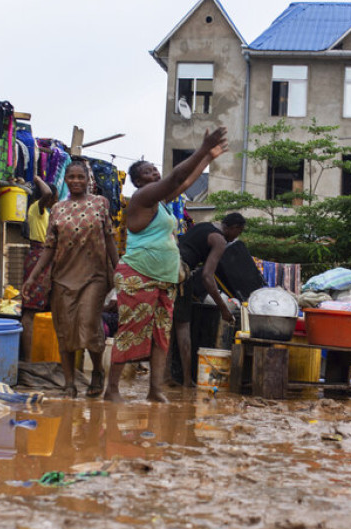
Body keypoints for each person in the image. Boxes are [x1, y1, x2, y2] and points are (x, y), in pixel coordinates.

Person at [104, 126, 229, 403]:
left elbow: (183, 184)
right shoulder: (142, 199)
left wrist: (208, 157)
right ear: (137, 182)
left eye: (155, 170)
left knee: (162, 335)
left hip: (165, 277)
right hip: (139, 274)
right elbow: (177, 176)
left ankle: (155, 389)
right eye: (148, 172)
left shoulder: (159, 204)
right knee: (131, 331)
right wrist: (201, 148)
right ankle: (111, 389)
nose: (155, 174)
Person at [22, 161, 118, 398]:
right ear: (65, 180)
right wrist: (33, 278)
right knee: (64, 330)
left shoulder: (100, 204)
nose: (76, 181)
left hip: (94, 275)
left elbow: (110, 241)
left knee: (88, 323)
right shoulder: (57, 209)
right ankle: (69, 383)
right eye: (71, 177)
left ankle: (97, 371)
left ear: (88, 180)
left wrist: (119, 272)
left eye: (80, 177)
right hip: (63, 276)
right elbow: (49, 248)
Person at [172, 212, 246, 386]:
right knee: (183, 327)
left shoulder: (203, 226)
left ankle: (166, 376)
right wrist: (223, 308)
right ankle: (186, 380)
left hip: (166, 266)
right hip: (180, 273)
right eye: (239, 232)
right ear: (234, 228)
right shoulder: (219, 240)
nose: (237, 237)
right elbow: (207, 277)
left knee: (166, 326)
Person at [19, 176, 57, 360]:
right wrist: (36, 178)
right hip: (38, 257)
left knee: (43, 309)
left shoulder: (46, 212)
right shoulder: (38, 209)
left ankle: (41, 356)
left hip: (45, 257)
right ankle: (28, 359)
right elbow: (47, 192)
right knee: (31, 311)